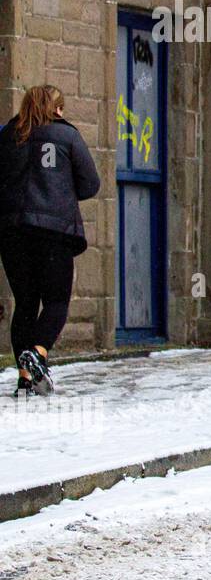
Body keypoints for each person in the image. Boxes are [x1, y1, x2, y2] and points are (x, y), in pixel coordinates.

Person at [0, 85, 101, 396]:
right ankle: (39, 353)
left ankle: (26, 378)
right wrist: (62, 191)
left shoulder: (6, 136)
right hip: (53, 233)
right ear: (57, 109)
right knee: (56, 302)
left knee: (25, 304)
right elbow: (91, 184)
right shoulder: (67, 135)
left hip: (13, 231)